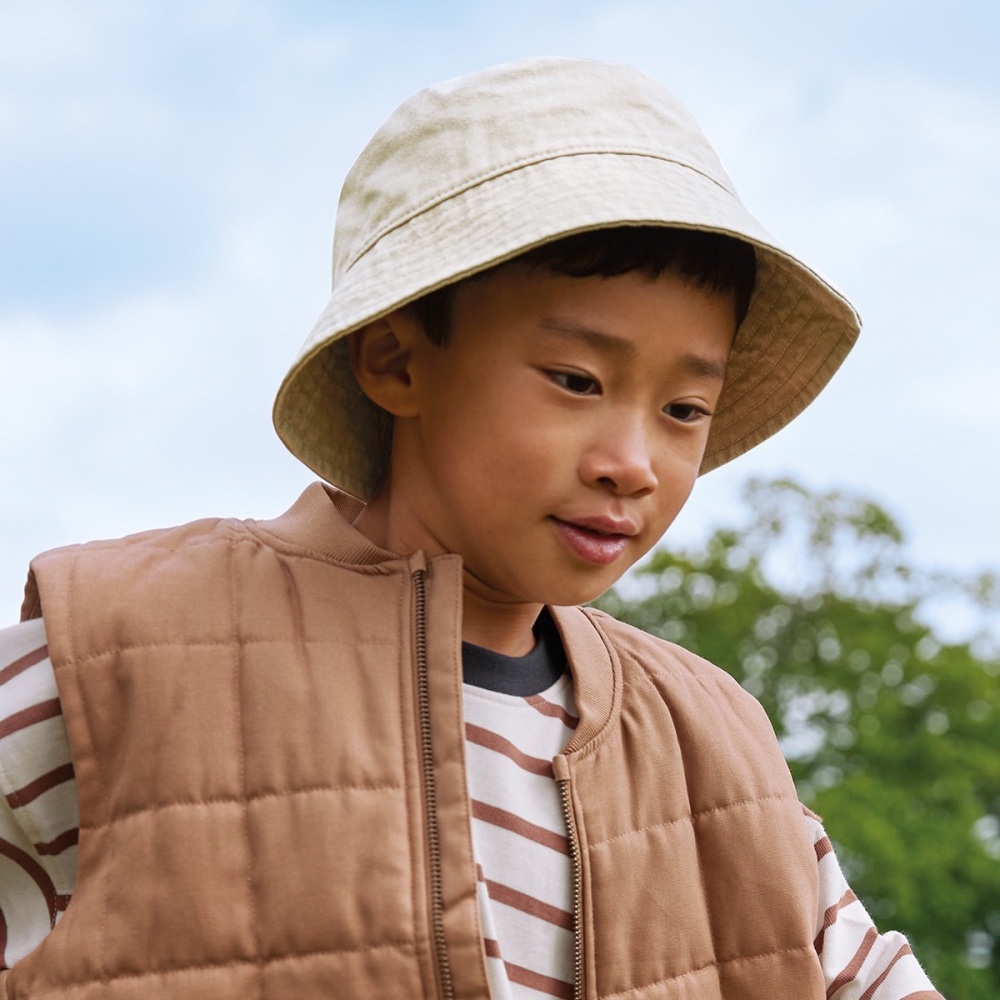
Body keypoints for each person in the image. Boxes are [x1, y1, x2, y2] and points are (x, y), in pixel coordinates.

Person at [0, 57, 942, 999]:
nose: (634, 460)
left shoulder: (720, 757)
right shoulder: (121, 655)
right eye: (577, 381)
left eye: (686, 408)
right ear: (397, 362)